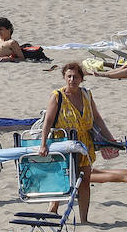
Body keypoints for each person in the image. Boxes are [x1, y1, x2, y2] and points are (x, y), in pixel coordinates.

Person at [40, 62, 118, 223]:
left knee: (84, 181)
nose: (72, 80)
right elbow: (47, 121)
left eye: (75, 77)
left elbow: (97, 118)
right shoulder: (57, 96)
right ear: (64, 77)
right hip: (64, 143)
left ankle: (84, 219)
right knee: (63, 178)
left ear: (81, 79)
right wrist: (43, 144)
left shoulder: (86, 94)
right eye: (69, 76)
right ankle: (53, 209)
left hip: (84, 144)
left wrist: (109, 138)